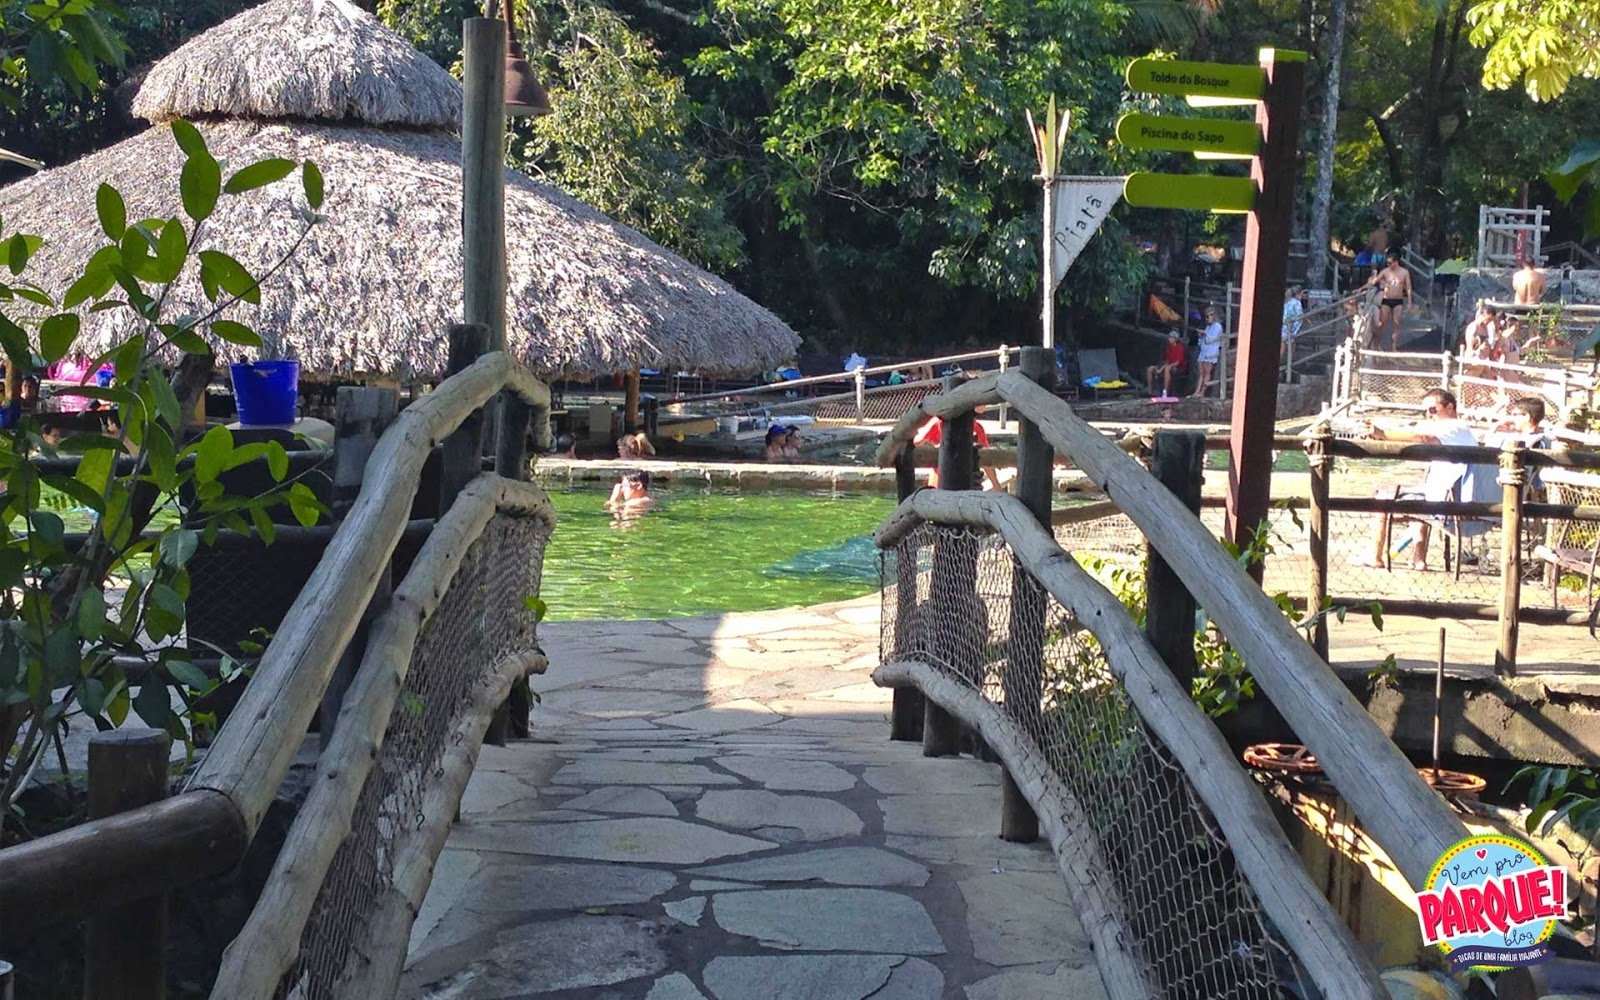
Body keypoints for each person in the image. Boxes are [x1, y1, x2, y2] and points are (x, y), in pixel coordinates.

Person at [1359, 389, 1478, 569]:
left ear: (1450, 407)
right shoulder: (1462, 430)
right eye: (1425, 411)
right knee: (1420, 494)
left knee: (1382, 497)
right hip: (1449, 497)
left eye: (1432, 409)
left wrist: (1382, 433)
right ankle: (1418, 559)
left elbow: (1421, 437)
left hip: (1444, 501)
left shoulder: (1451, 426)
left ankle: (1374, 556)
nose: (1428, 415)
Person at [913, 414, 1001, 490]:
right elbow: (916, 442)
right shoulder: (938, 423)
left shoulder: (977, 428)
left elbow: (986, 459)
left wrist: (997, 487)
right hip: (939, 482)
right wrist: (934, 448)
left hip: (967, 483)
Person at [1365, 249, 1412, 350]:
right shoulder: (1385, 272)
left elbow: (1408, 287)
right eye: (1387, 263)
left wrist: (1409, 301)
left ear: (1396, 262)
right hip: (1387, 299)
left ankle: (1394, 346)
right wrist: (1362, 288)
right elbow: (1374, 281)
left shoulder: (1404, 272)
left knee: (1397, 323)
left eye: (1390, 263)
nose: (1388, 265)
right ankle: (1376, 344)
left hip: (1398, 300)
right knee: (1381, 323)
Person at [1190, 307, 1223, 399]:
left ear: (1213, 316)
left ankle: (1202, 392)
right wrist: (1200, 336)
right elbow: (1202, 342)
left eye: (1208, 317)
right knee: (1201, 372)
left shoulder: (1218, 327)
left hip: (1211, 352)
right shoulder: (1208, 327)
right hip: (1203, 352)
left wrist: (1205, 333)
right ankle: (1197, 391)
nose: (1207, 319)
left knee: (1207, 372)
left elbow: (1211, 340)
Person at [1146, 330, 1186, 400]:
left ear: (1175, 339)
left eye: (1171, 337)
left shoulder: (1180, 348)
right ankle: (1150, 391)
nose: (1169, 339)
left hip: (1178, 367)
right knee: (1150, 369)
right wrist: (1162, 367)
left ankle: (1165, 393)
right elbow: (1167, 360)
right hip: (1167, 365)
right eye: (1169, 337)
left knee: (1167, 369)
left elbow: (1178, 362)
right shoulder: (1168, 348)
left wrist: (1165, 367)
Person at [1280, 286, 1307, 361]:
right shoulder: (1297, 303)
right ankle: (1288, 364)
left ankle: (1285, 365)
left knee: (1284, 346)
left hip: (1284, 326)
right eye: (1302, 294)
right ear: (1298, 294)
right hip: (1290, 328)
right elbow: (1299, 317)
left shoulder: (1287, 301)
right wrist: (1296, 330)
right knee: (1288, 348)